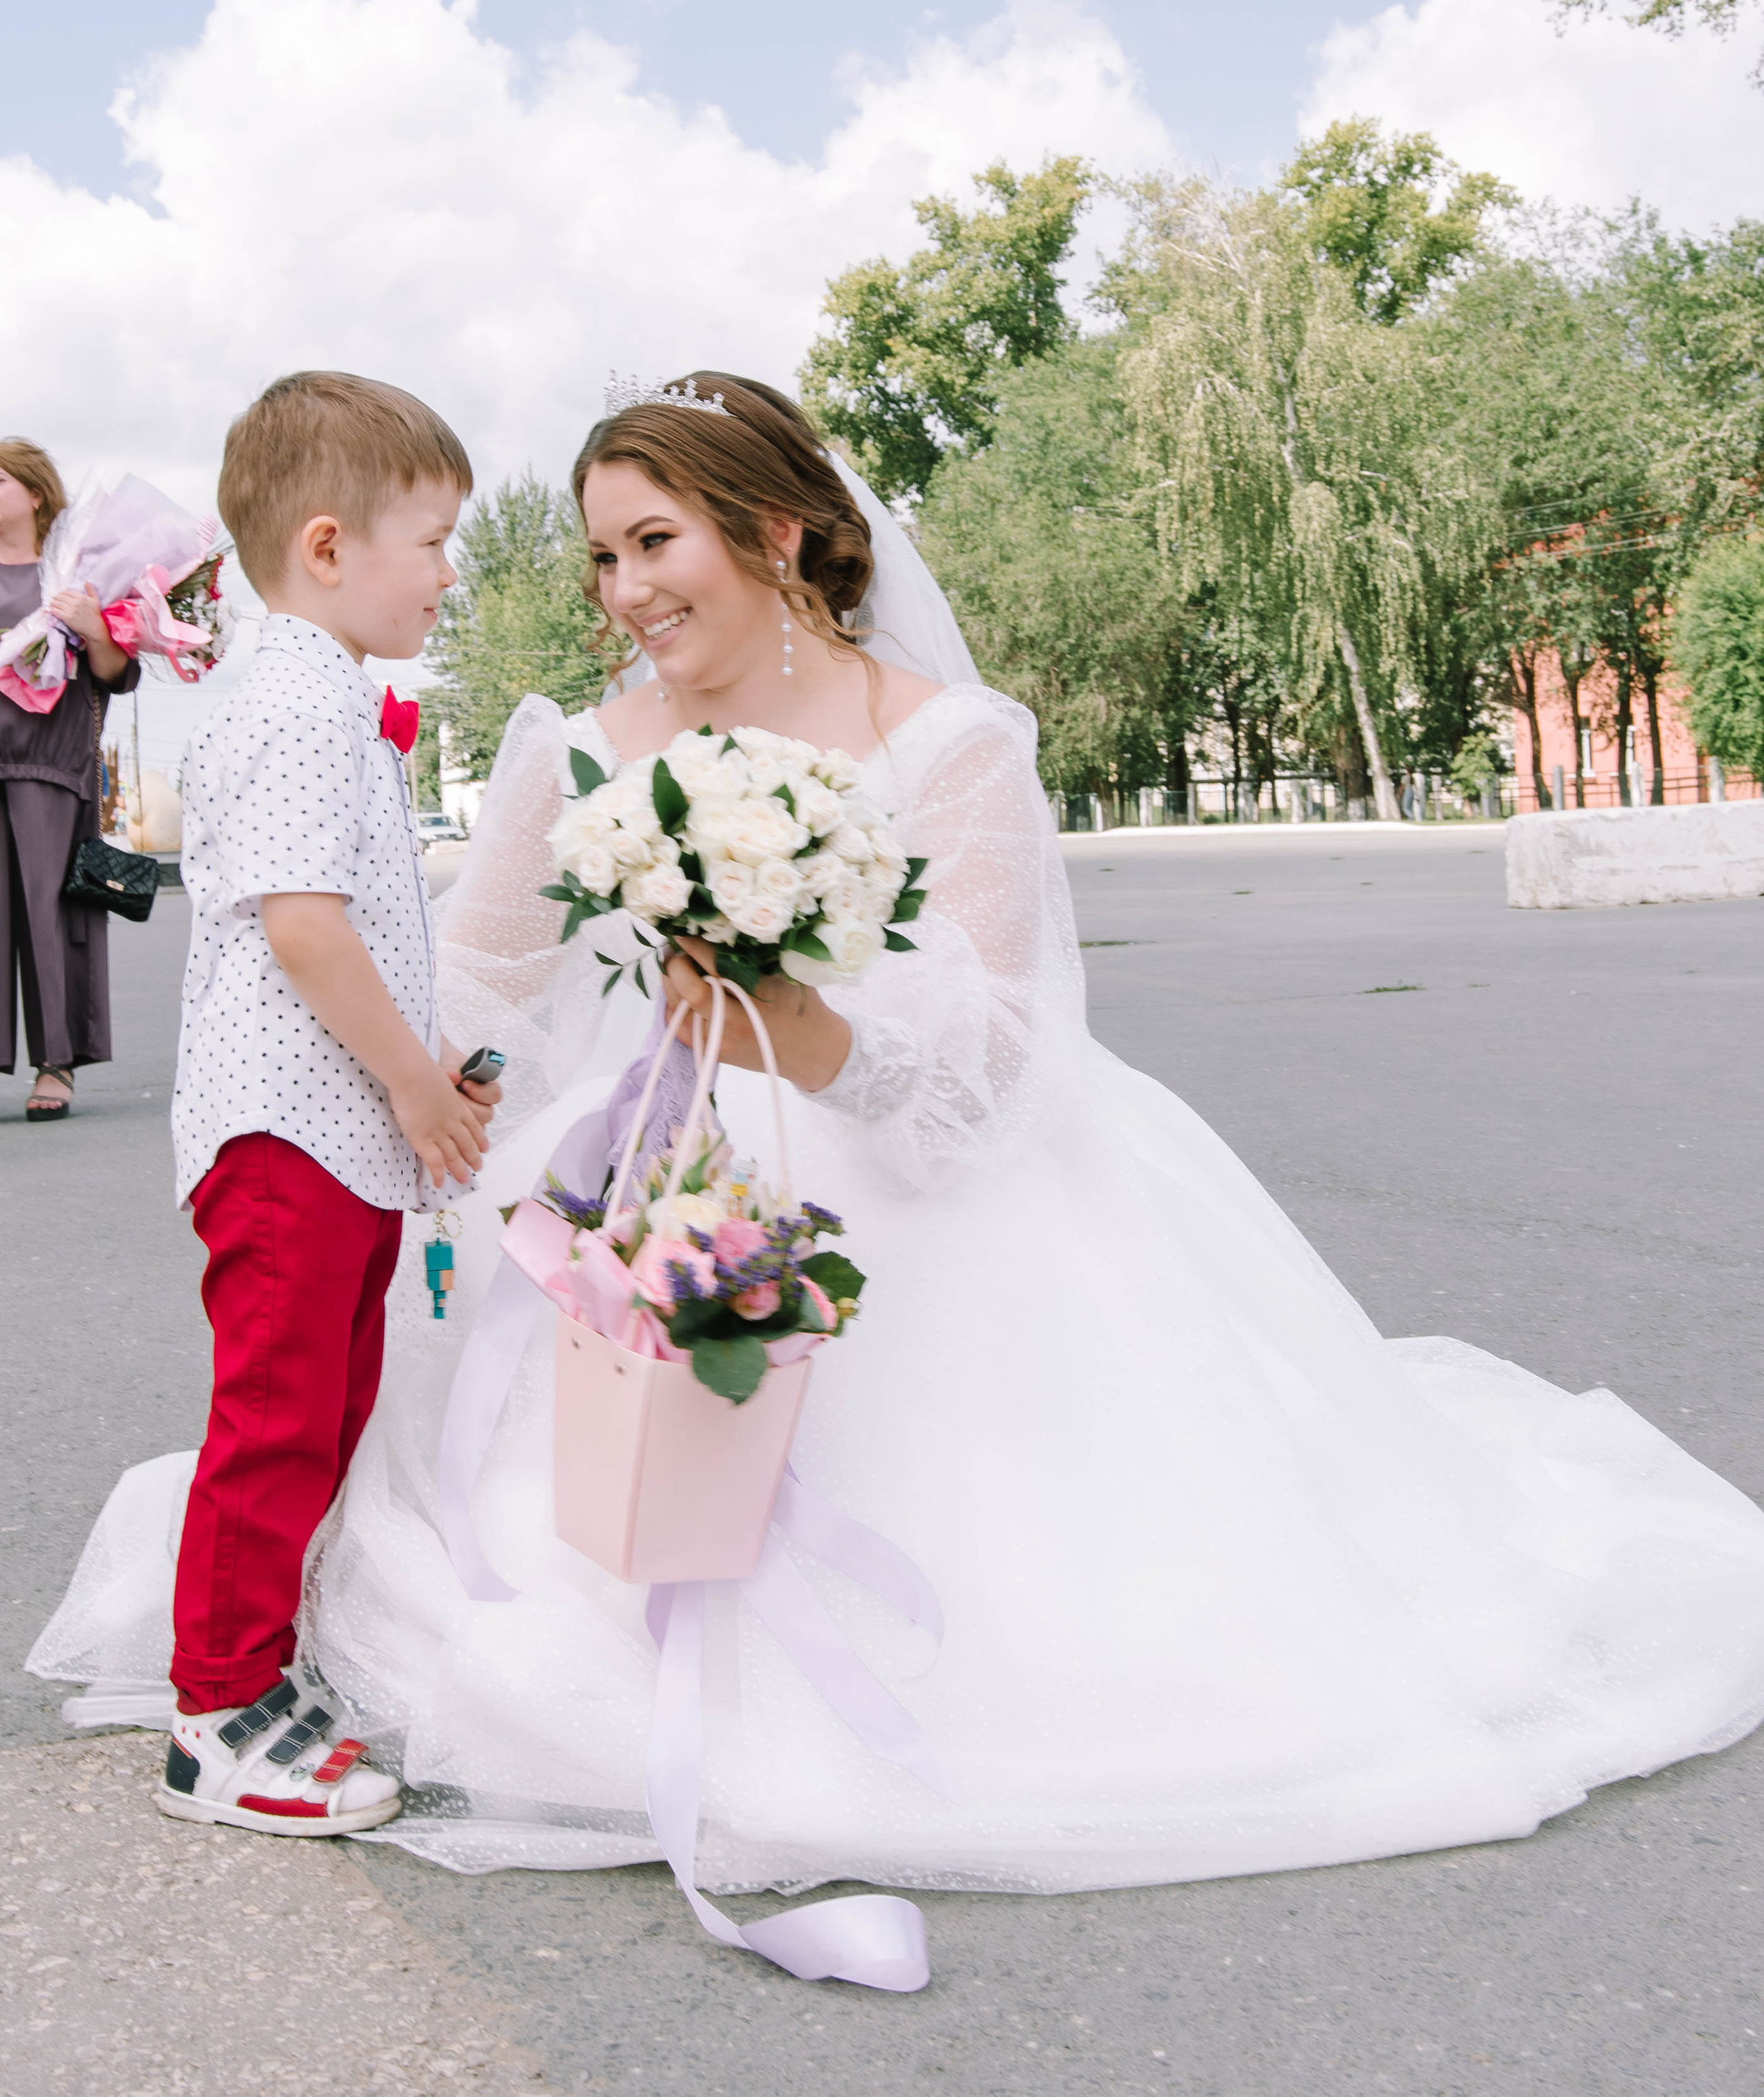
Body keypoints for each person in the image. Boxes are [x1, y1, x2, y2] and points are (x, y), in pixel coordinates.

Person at [34, 374, 1764, 1905]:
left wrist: (806, 1026)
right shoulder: (570, 749)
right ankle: (255, 1658)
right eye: (601, 560)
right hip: (659, 1164)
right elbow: (480, 972)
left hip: (921, 1192)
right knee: (392, 1436)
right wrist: (447, 1100)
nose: (625, 595)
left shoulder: (942, 742)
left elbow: (999, 1060)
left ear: (778, 534)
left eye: (655, 544)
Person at [150, 371, 502, 1838]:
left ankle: (260, 1675)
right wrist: (420, 1091)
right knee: (279, 1416)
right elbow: (304, 927)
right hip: (286, 1125)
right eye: (429, 541)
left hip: (328, 1128)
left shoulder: (321, 695)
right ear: (327, 548)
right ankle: (215, 1717)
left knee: (330, 1402)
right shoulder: (293, 699)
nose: (447, 573)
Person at [0, 436, 139, 1122]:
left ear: (33, 493)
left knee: (51, 916)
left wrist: (95, 628)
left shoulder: (75, 575)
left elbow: (118, 673)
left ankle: (57, 1062)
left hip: (50, 767)